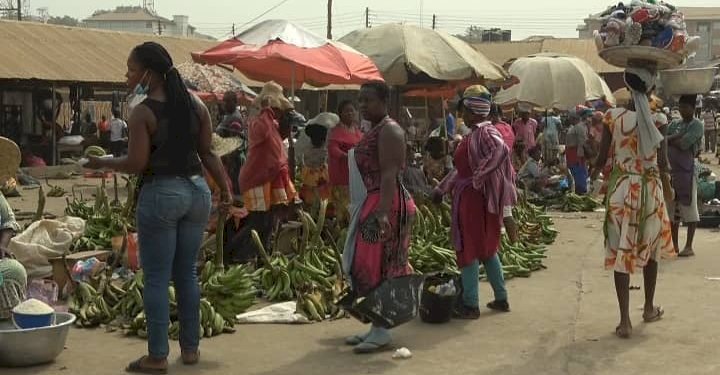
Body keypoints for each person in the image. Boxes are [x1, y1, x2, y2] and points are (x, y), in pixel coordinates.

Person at [85, 41, 231, 373]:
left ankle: (157, 356)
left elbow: (137, 163)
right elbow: (208, 153)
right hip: (197, 192)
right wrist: (225, 189)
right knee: (187, 274)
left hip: (162, 194)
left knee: (156, 278)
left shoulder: (143, 112)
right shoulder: (197, 106)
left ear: (149, 73)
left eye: (132, 69)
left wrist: (103, 161)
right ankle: (191, 351)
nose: (127, 75)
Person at [591, 67, 673, 339]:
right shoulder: (658, 118)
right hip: (650, 191)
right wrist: (669, 188)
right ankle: (648, 308)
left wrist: (591, 177)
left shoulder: (612, 118)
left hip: (621, 192)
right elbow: (662, 163)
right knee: (651, 251)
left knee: (620, 254)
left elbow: (601, 159)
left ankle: (624, 321)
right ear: (650, 89)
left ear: (627, 87)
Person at [342, 81, 415, 353]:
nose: (362, 106)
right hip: (374, 201)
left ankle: (382, 329)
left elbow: (389, 174)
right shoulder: (375, 130)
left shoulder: (390, 130)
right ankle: (375, 324)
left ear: (384, 101)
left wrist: (382, 214)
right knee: (366, 264)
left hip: (388, 204)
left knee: (382, 265)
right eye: (360, 101)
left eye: (368, 101)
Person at [433, 85, 518, 319]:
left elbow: (500, 151)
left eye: (465, 111)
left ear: (475, 111)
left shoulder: (485, 132)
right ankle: (501, 298)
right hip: (474, 197)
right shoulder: (472, 135)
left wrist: (479, 177)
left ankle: (470, 305)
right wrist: (442, 188)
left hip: (473, 201)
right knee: (487, 250)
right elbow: (461, 171)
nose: (462, 115)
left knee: (468, 249)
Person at [226, 82, 297, 264]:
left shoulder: (272, 123)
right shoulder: (257, 121)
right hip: (256, 179)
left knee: (268, 223)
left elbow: (276, 141)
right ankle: (235, 255)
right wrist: (266, 111)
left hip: (270, 178)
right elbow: (261, 134)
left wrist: (285, 122)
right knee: (257, 222)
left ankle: (261, 259)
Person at [666, 95, 704, 257]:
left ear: (693, 109)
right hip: (671, 170)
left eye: (685, 108)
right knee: (672, 208)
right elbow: (662, 141)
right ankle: (674, 244)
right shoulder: (675, 124)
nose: (682, 110)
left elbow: (684, 144)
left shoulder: (697, 125)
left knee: (689, 207)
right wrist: (676, 136)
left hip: (688, 170)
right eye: (680, 107)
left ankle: (689, 246)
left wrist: (672, 139)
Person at [328, 100, 362, 224]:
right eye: (346, 111)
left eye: (352, 110)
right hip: (341, 176)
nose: (350, 113)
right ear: (340, 114)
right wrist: (347, 156)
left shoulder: (358, 131)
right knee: (342, 211)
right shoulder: (335, 131)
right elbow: (333, 149)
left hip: (357, 176)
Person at [298, 113, 335, 209]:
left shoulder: (306, 152)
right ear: (324, 140)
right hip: (323, 182)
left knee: (309, 205)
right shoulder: (326, 152)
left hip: (308, 181)